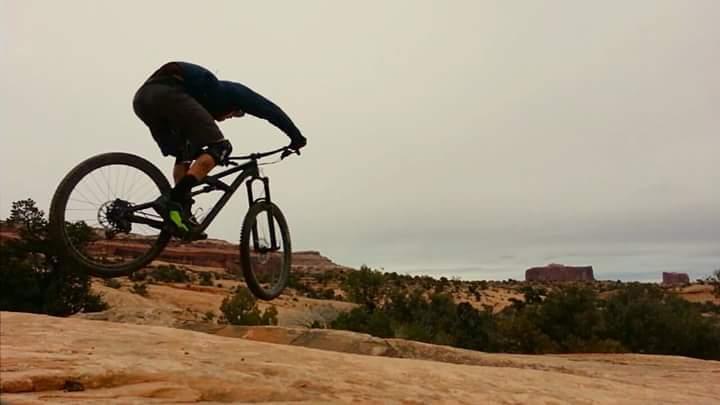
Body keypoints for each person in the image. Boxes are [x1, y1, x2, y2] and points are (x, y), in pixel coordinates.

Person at [133, 61, 306, 237]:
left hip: (142, 100)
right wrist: (296, 138)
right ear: (234, 107)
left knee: (183, 152)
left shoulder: (197, 100)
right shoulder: (233, 92)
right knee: (221, 147)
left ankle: (179, 215)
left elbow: (190, 142)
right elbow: (270, 110)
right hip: (168, 93)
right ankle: (172, 200)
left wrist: (205, 157)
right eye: (234, 114)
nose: (229, 118)